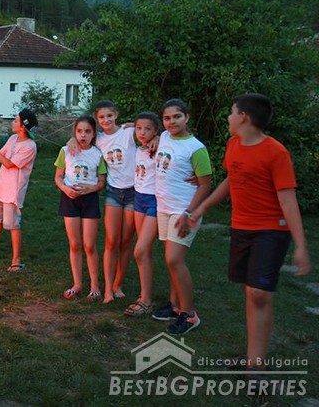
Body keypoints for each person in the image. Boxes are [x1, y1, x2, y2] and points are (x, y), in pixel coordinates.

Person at [190, 94, 311, 367]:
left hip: (271, 230)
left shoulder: (276, 152)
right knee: (251, 291)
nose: (229, 117)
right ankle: (252, 356)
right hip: (241, 227)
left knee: (260, 293)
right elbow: (231, 181)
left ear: (243, 116)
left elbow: (288, 200)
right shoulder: (234, 144)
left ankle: (257, 364)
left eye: (232, 112)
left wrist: (301, 246)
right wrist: (200, 209)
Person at [151, 99, 212, 335]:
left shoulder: (196, 148)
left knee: (174, 259)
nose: (172, 122)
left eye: (177, 116)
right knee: (170, 260)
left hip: (184, 210)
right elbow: (137, 127)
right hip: (164, 207)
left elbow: (205, 184)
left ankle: (189, 314)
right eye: (167, 118)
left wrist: (189, 213)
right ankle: (175, 304)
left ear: (187, 117)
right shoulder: (165, 137)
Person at [67, 100, 138, 303]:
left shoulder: (128, 132)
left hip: (134, 192)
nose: (106, 120)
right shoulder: (98, 139)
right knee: (111, 240)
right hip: (113, 192)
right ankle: (107, 289)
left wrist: (156, 137)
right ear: (97, 120)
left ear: (116, 115)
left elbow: (147, 131)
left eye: (109, 115)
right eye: (101, 117)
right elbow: (82, 137)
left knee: (126, 241)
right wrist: (72, 139)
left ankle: (118, 284)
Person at [0, 109, 37, 272]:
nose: (13, 122)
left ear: (23, 127)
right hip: (1, 186)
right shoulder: (13, 139)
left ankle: (16, 260)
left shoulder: (30, 146)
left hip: (13, 191)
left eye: (16, 120)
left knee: (12, 224)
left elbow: (9, 164)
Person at [54, 116, 106, 300]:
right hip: (70, 199)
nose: (83, 135)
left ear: (94, 133)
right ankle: (77, 284)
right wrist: (65, 189)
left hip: (89, 200)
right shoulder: (65, 151)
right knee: (75, 244)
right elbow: (58, 177)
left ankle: (95, 285)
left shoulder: (98, 154)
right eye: (79, 131)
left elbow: (102, 182)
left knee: (89, 245)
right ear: (74, 132)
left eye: (88, 131)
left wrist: (91, 189)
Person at [124, 112, 160, 317]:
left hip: (155, 201)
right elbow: (122, 128)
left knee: (139, 250)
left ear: (156, 130)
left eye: (148, 129)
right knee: (145, 252)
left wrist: (159, 138)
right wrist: (132, 124)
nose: (142, 132)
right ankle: (145, 297)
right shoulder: (138, 149)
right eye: (139, 128)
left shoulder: (160, 147)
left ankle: (146, 300)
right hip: (139, 198)